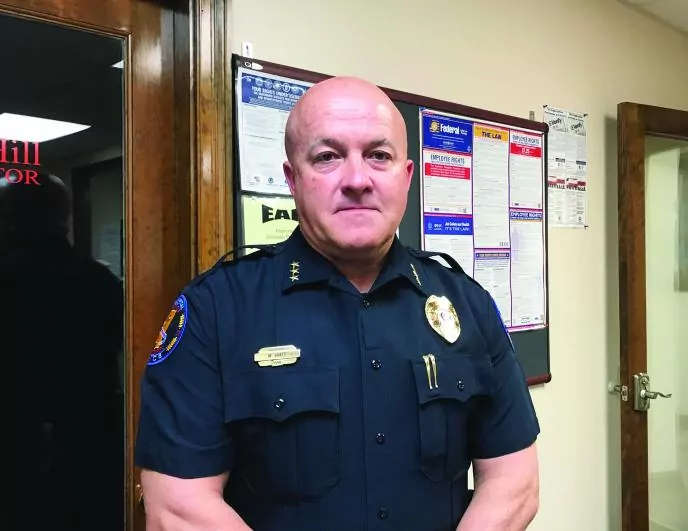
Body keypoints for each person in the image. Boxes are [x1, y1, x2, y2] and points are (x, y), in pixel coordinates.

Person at [135, 76, 540, 530]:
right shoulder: (216, 309)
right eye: (327, 157)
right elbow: (178, 507)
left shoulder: (467, 304)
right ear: (292, 179)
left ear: (406, 176)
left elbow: (514, 480)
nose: (357, 180)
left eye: (379, 156)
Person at [0, 172, 124, 530]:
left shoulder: (7, 279)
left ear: (12, 220)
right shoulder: (100, 281)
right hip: (91, 438)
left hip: (18, 439)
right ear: (65, 218)